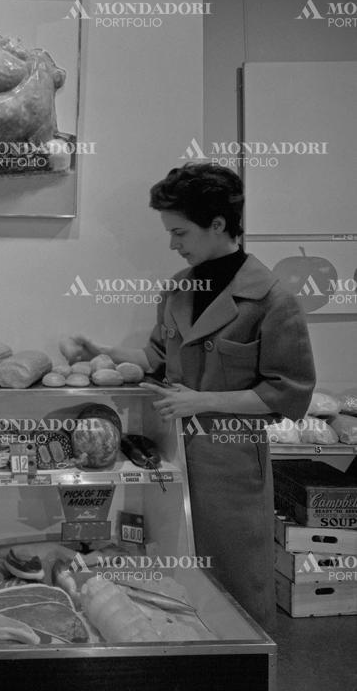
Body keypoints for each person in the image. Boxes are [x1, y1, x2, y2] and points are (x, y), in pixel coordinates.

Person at [62, 162, 315, 631]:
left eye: (180, 232)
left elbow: (287, 392)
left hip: (230, 463)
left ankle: (243, 663)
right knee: (174, 579)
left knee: (236, 581)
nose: (172, 244)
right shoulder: (179, 288)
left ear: (218, 224)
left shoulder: (273, 300)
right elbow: (155, 358)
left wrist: (202, 401)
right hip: (171, 455)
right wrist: (103, 352)